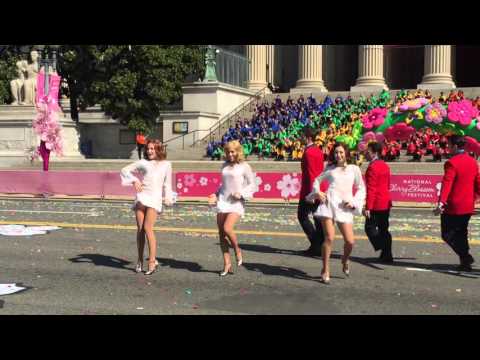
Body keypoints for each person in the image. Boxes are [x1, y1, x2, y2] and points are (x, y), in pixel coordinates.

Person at [307, 142, 366, 284]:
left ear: (346, 153)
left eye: (341, 152)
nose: (338, 155)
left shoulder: (354, 169)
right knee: (329, 238)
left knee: (350, 241)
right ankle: (325, 269)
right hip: (329, 204)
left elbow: (361, 188)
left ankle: (344, 260)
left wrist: (354, 202)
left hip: (345, 207)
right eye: (336, 153)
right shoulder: (330, 168)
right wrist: (318, 192)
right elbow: (316, 180)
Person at [120, 139, 174, 275]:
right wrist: (135, 180)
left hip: (155, 199)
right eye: (148, 149)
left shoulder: (166, 164)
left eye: (153, 148)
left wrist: (168, 197)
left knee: (148, 228)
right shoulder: (143, 163)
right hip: (142, 197)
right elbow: (124, 170)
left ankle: (152, 261)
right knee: (140, 229)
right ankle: (139, 260)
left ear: (158, 149)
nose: (150, 151)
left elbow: (167, 184)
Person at [208, 140, 255, 276]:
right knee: (221, 234)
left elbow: (252, 184)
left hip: (236, 202)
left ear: (238, 152)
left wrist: (241, 194)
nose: (230, 154)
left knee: (227, 228)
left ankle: (237, 249)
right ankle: (227, 264)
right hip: (223, 200)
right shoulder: (224, 165)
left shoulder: (244, 166)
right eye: (228, 151)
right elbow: (223, 185)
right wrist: (215, 194)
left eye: (232, 151)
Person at [434, 135, 480, 271]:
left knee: (447, 234)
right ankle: (464, 262)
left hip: (453, 206)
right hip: (467, 204)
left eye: (448, 145)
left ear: (455, 146)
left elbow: (447, 184)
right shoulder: (472, 161)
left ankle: (465, 257)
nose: (447, 148)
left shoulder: (451, 163)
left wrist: (441, 202)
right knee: (461, 233)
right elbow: (477, 182)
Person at [363, 142, 393, 263]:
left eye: (368, 151)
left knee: (369, 227)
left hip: (376, 203)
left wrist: (368, 207)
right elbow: (388, 184)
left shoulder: (372, 167)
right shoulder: (384, 165)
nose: (366, 154)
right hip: (385, 201)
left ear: (374, 153)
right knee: (384, 229)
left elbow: (372, 189)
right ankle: (387, 254)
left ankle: (383, 246)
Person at [298, 127, 325, 257]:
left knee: (302, 216)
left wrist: (312, 194)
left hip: (310, 191)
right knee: (317, 218)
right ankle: (319, 244)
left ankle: (316, 243)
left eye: (302, 135)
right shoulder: (317, 150)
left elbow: (312, 174)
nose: (300, 137)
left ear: (308, 137)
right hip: (317, 189)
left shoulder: (309, 152)